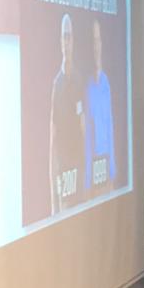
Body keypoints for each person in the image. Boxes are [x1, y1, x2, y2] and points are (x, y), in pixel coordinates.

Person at [48, 12, 84, 214]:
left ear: (74, 41)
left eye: (69, 36)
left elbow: (83, 126)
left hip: (78, 170)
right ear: (60, 41)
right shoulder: (57, 85)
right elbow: (52, 140)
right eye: (64, 37)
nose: (67, 42)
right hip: (63, 174)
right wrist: (53, 200)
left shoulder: (79, 80)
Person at [82, 19, 115, 198]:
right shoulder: (86, 87)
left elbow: (110, 127)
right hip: (92, 179)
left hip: (107, 174)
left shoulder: (106, 83)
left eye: (98, 40)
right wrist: (87, 181)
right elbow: (85, 135)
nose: (95, 47)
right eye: (92, 42)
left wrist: (112, 171)